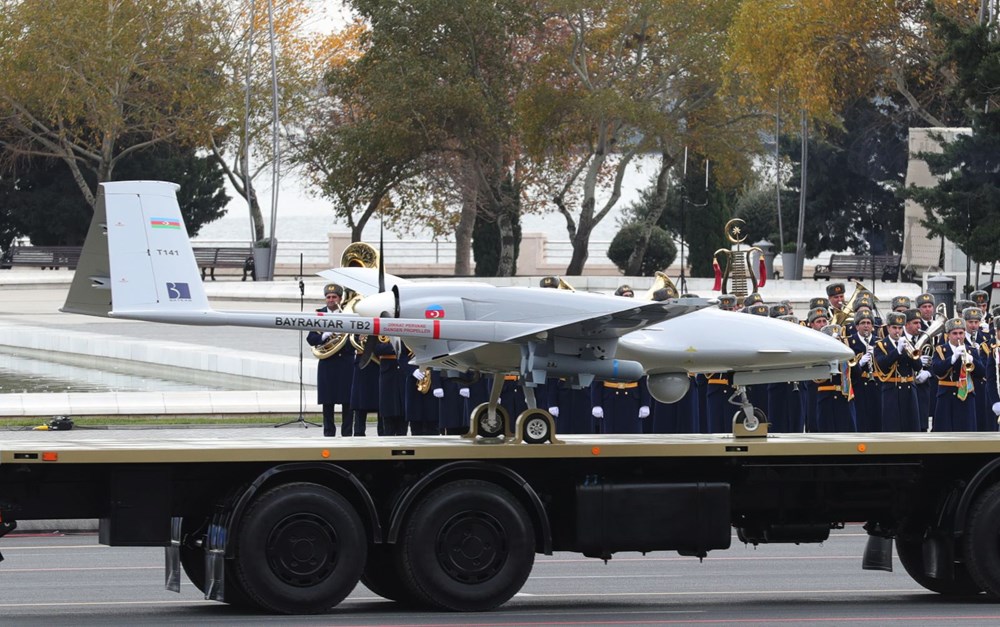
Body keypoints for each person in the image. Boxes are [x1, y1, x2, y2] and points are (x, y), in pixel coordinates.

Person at [305, 283, 354, 437]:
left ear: (340, 298)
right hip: (328, 363)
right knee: (328, 402)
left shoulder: (347, 314)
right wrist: (323, 336)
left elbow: (354, 337)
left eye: (334, 297)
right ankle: (328, 433)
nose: (331, 300)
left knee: (348, 402)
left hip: (346, 363)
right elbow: (311, 339)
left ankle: (347, 434)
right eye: (328, 297)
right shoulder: (319, 315)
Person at [930, 318, 984, 432]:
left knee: (966, 432)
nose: (958, 337)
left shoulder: (971, 350)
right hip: (946, 397)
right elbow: (936, 370)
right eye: (954, 333)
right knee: (945, 433)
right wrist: (953, 358)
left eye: (961, 333)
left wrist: (972, 360)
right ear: (948, 335)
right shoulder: (941, 350)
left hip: (966, 397)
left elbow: (982, 373)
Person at [874, 312, 922, 432]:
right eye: (894, 328)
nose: (897, 331)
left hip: (909, 390)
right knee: (892, 426)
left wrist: (911, 352)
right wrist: (897, 351)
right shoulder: (881, 345)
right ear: (888, 328)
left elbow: (917, 366)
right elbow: (882, 365)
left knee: (911, 426)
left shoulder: (908, 343)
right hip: (892, 390)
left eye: (900, 328)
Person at [812, 324, 856, 432]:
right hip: (826, 399)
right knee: (827, 432)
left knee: (847, 432)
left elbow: (856, 374)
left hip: (844, 398)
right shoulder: (819, 355)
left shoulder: (845, 355)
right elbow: (816, 378)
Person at [848, 311, 881, 432]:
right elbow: (847, 368)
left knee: (876, 420)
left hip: (876, 385)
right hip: (859, 385)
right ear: (857, 326)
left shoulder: (879, 342)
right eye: (862, 323)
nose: (866, 326)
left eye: (869, 323)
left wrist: (876, 356)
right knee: (861, 420)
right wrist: (860, 363)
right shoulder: (850, 342)